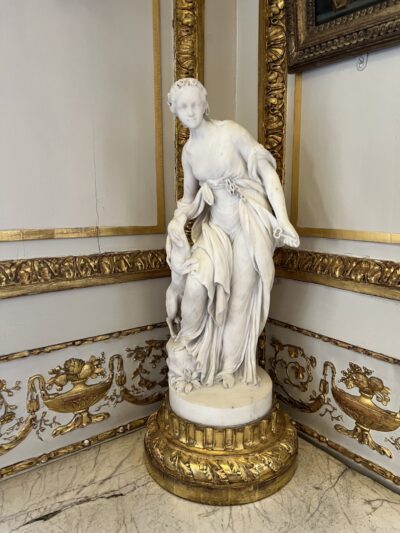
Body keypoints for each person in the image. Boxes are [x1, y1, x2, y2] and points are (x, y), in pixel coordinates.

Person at [166, 78, 299, 392]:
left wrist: (283, 219)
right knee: (195, 285)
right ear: (175, 111)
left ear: (205, 103)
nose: (190, 111)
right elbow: (188, 198)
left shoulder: (230, 132)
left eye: (195, 103)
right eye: (183, 106)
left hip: (246, 222)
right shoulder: (189, 152)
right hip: (215, 229)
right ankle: (193, 356)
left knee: (239, 298)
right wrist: (177, 220)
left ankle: (229, 367)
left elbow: (266, 171)